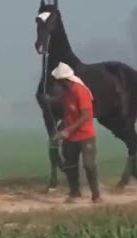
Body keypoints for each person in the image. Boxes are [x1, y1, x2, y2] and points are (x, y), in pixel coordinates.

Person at [47, 62, 102, 203]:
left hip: (85, 135)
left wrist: (67, 130)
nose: (57, 84)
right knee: (70, 165)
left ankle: (96, 195)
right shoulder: (67, 93)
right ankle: (74, 192)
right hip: (70, 137)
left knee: (88, 165)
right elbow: (65, 108)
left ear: (65, 80)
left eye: (58, 81)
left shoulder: (80, 91)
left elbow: (85, 115)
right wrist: (49, 101)